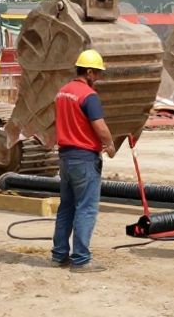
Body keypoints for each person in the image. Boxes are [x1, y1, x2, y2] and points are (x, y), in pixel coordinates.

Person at [51, 49, 116, 273]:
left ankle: (59, 255)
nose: (98, 78)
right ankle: (80, 259)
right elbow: (99, 126)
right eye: (96, 73)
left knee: (66, 208)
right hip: (84, 159)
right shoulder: (88, 96)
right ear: (88, 71)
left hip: (65, 157)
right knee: (86, 209)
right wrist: (109, 145)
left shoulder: (62, 92)